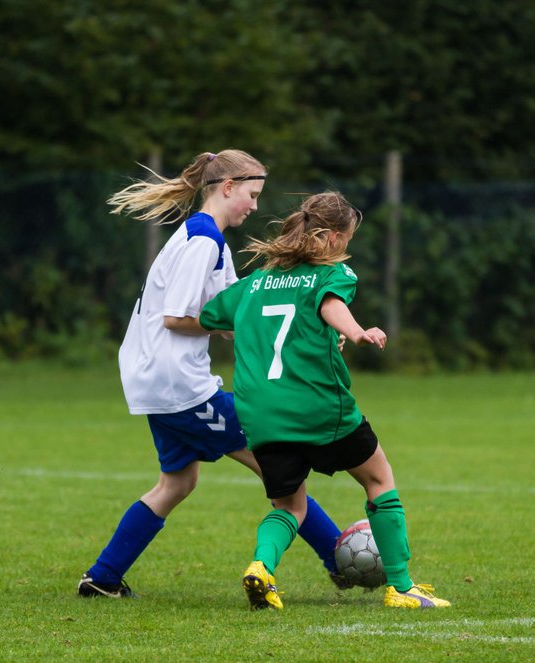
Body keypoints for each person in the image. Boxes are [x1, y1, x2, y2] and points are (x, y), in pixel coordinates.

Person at [78, 150, 345, 599]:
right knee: (281, 469)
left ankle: (103, 578)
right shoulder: (203, 240)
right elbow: (177, 317)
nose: (255, 206)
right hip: (182, 386)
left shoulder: (201, 237)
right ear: (227, 188)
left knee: (177, 483)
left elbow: (222, 317)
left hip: (159, 383)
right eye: (252, 194)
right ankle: (341, 558)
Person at [199, 191, 450, 609]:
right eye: (348, 239)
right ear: (333, 238)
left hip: (260, 414)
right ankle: (401, 587)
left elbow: (209, 315)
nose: (347, 248)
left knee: (289, 504)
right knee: (378, 479)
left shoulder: (255, 283)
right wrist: (354, 333)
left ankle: (261, 567)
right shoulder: (331, 274)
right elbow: (331, 305)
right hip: (316, 406)